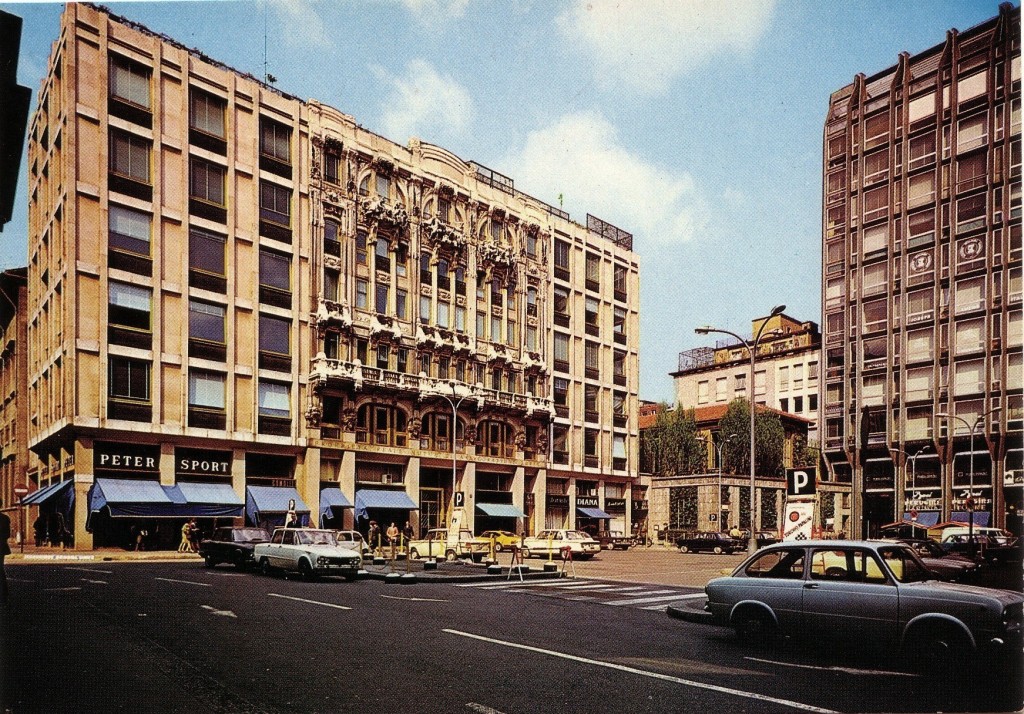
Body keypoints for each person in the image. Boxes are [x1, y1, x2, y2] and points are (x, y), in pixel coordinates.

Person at [0, 511, 11, 604]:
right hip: (1, 546)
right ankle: (4, 594)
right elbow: (7, 534)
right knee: (1, 570)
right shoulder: (5, 518)